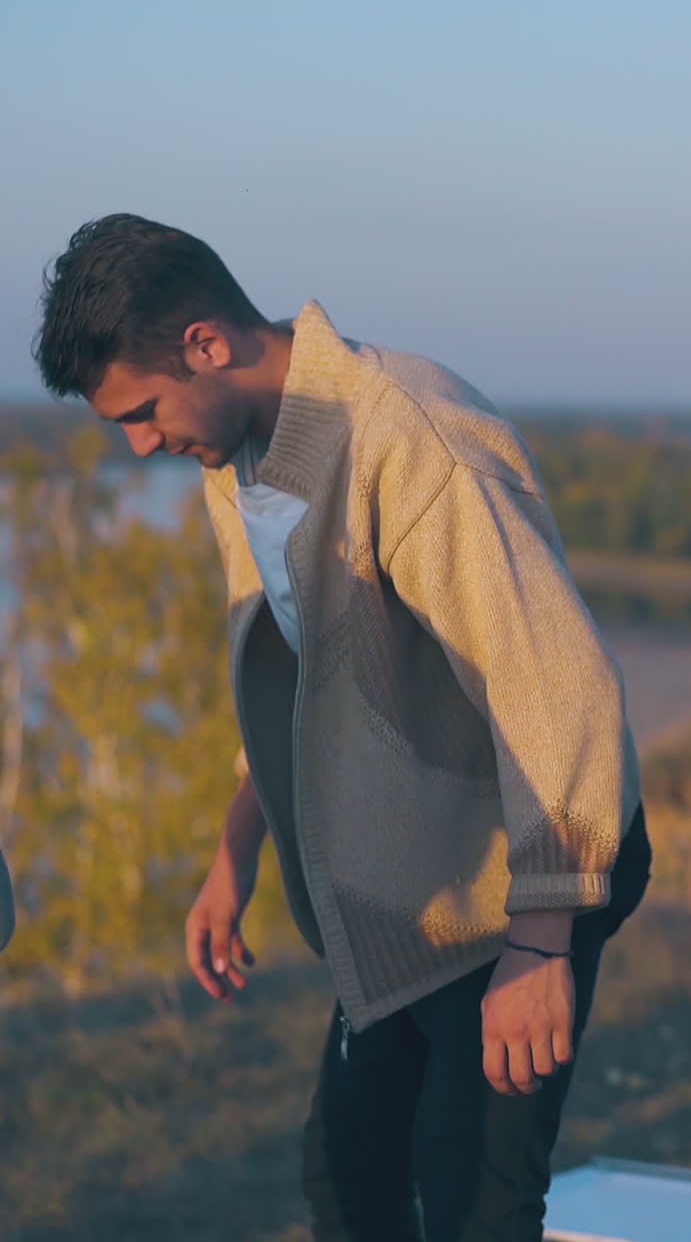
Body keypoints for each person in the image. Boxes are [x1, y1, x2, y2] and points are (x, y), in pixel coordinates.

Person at [34, 213, 652, 1242]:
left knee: (473, 1206)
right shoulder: (241, 456)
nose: (141, 443)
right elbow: (301, 667)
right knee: (351, 1178)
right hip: (399, 885)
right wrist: (237, 848)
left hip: (515, 878)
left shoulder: (412, 441)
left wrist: (543, 939)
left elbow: (558, 684)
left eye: (141, 412)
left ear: (205, 342)